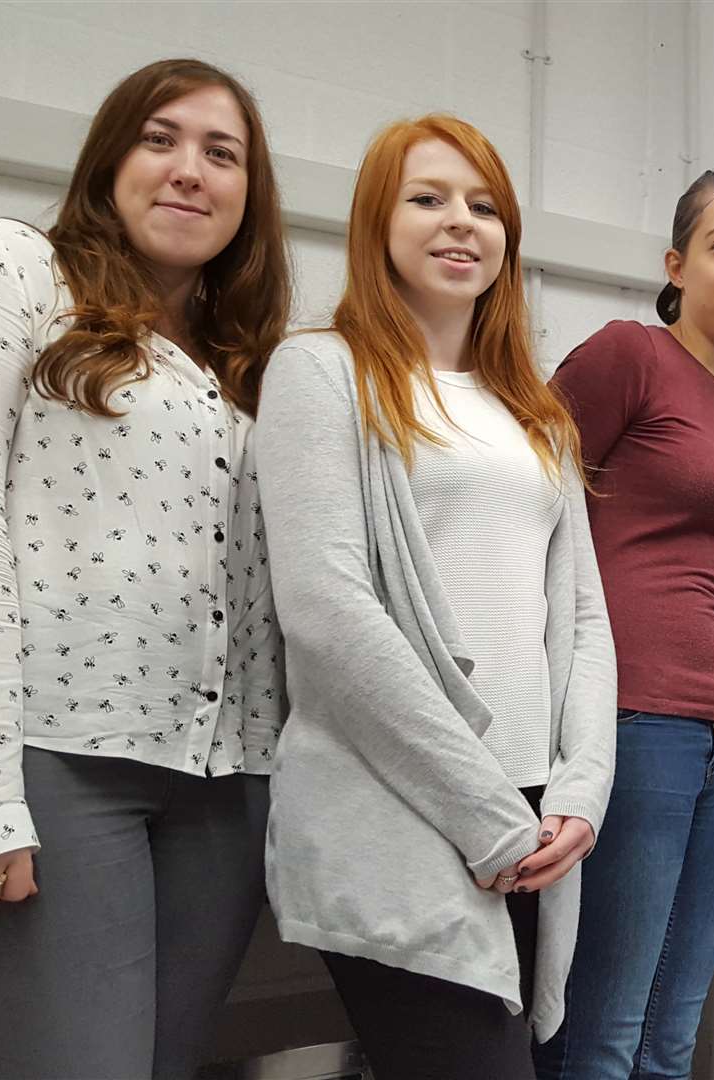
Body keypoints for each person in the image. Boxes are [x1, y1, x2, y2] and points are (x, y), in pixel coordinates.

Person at [0, 58, 291, 1080]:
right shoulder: (12, 267)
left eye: (221, 154)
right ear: (109, 161)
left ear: (248, 195)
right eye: (160, 139)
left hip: (225, 791)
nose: (190, 171)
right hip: (57, 765)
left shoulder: (250, 368)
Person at [254, 115, 615, 1079]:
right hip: (408, 809)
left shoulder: (535, 412)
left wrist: (583, 790)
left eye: (484, 205)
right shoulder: (321, 368)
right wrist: (482, 811)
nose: (461, 223)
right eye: (428, 198)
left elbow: (581, 619)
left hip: (538, 815)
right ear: (377, 222)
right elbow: (326, 610)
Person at [536, 165, 714, 1080]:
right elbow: (529, 505)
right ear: (677, 264)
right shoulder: (628, 354)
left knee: (672, 1032)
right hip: (629, 720)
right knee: (603, 1029)